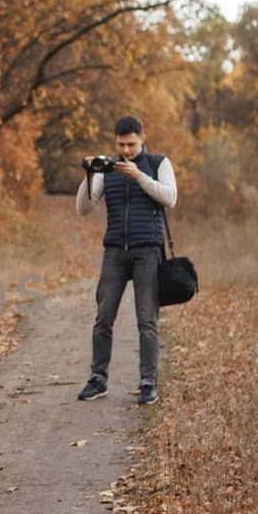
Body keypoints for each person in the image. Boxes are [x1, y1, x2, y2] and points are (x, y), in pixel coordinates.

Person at [75, 115, 178, 406]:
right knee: (103, 318)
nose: (126, 151)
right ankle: (98, 379)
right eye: (121, 145)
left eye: (131, 144)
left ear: (142, 138)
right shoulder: (108, 168)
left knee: (147, 320)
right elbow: (83, 208)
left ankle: (148, 383)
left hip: (148, 251)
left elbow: (170, 198)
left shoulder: (159, 163)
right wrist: (89, 174)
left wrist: (138, 176)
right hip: (115, 252)